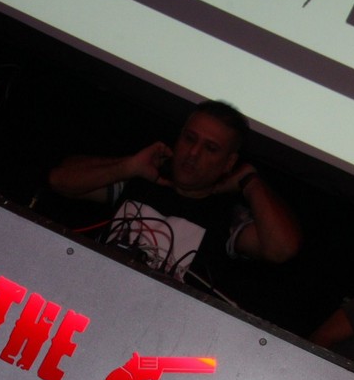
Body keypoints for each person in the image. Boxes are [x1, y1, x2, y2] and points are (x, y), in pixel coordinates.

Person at [47, 100, 301, 296]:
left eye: (210, 148)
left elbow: (282, 249)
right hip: (87, 294)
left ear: (229, 162)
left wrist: (251, 182)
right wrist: (128, 166)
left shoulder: (227, 217)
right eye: (189, 139)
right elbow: (60, 180)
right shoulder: (142, 178)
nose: (193, 153)